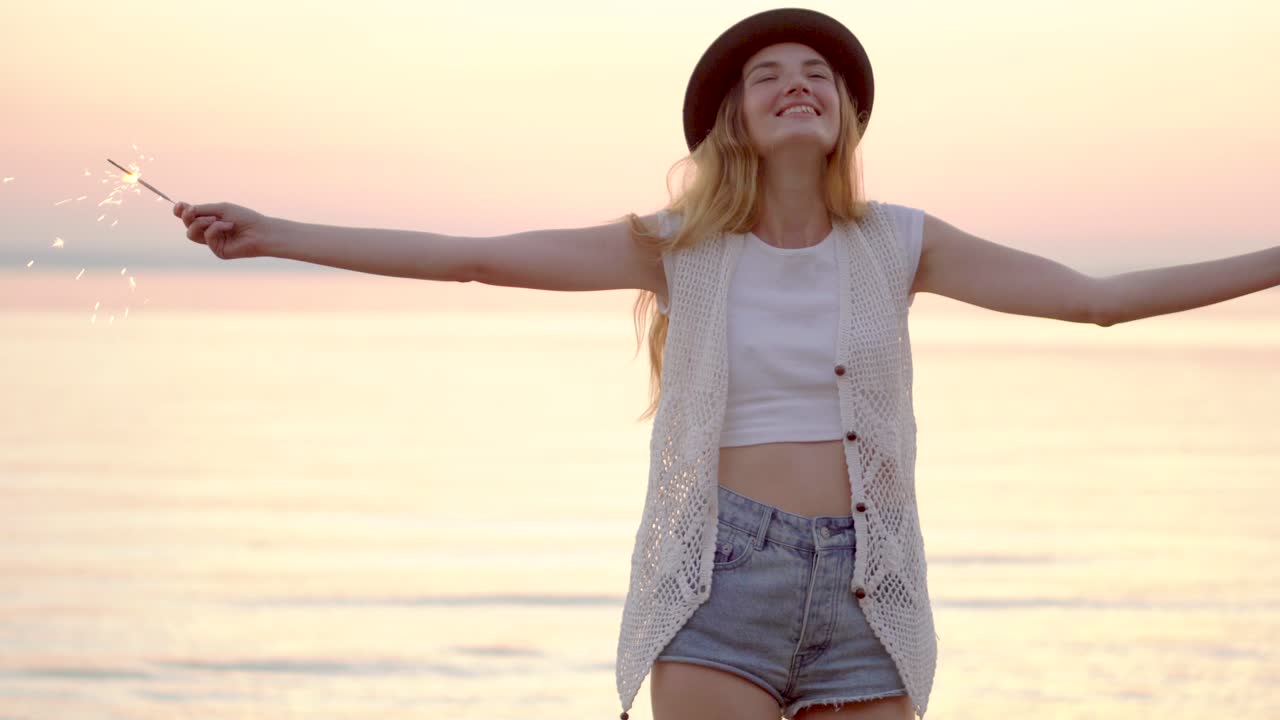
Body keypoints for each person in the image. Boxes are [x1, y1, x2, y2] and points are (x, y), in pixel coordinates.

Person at [173, 8, 1280, 720]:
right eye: (767, 76)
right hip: (716, 579)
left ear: (846, 117)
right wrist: (274, 233)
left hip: (869, 586)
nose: (796, 82)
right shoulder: (677, 249)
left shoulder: (900, 242)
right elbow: (470, 257)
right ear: (735, 124)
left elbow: (1098, 302)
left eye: (818, 74)